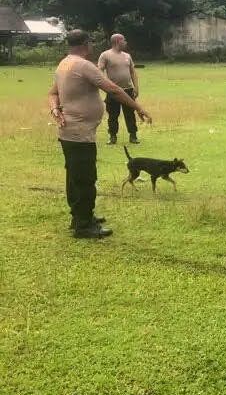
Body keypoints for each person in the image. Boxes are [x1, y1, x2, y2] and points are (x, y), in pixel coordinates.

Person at [48, 29, 152, 238]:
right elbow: (114, 90)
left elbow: (52, 94)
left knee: (75, 176)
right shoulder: (84, 65)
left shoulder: (64, 63)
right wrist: (139, 108)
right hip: (79, 133)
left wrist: (55, 110)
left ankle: (80, 216)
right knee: (85, 178)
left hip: (71, 132)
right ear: (86, 44)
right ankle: (84, 226)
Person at [98, 33, 140, 145]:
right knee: (113, 114)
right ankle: (112, 136)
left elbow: (132, 72)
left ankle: (133, 135)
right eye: (124, 40)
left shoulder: (127, 56)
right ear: (117, 41)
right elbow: (99, 71)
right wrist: (106, 86)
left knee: (130, 113)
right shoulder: (105, 55)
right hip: (113, 91)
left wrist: (136, 87)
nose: (126, 42)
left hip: (128, 90)